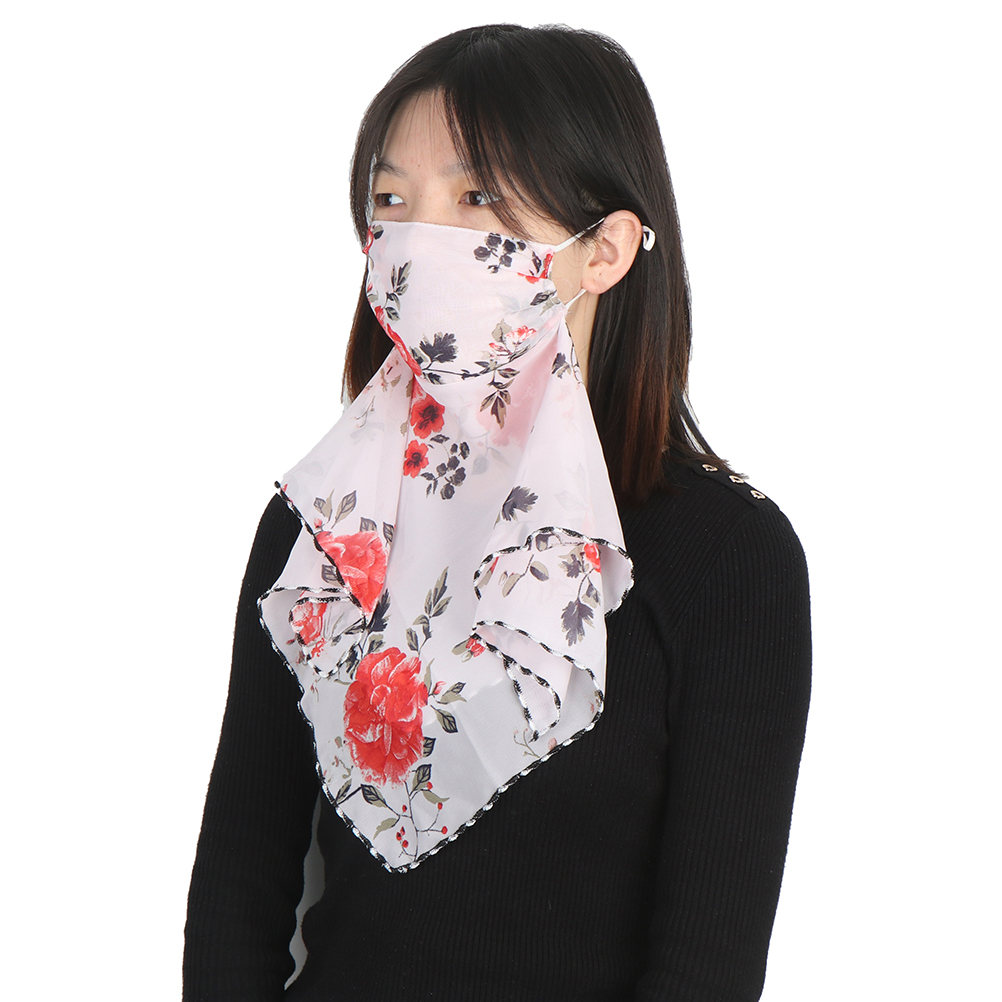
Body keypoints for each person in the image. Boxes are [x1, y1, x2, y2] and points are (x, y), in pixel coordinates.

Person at [183, 23, 811, 1002]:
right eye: (392, 201)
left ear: (604, 250)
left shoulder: (728, 558)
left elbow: (706, 966)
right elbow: (238, 893)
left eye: (476, 198)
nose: (418, 238)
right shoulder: (326, 526)